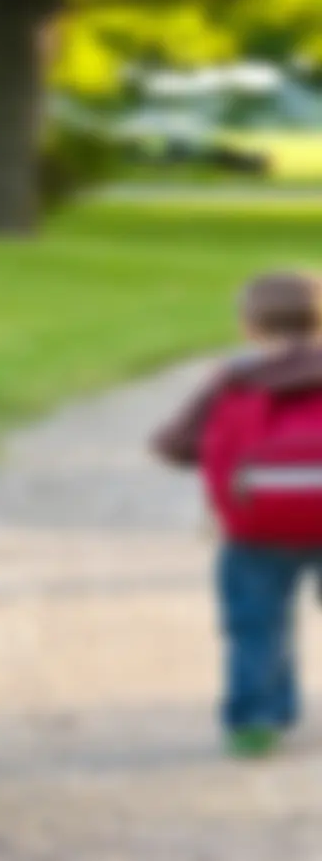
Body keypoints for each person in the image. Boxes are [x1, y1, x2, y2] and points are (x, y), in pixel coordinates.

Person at [153, 270, 322, 758]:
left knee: (257, 623)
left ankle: (255, 721)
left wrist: (209, 459)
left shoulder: (234, 378)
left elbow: (172, 445)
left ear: (249, 326)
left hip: (256, 528)